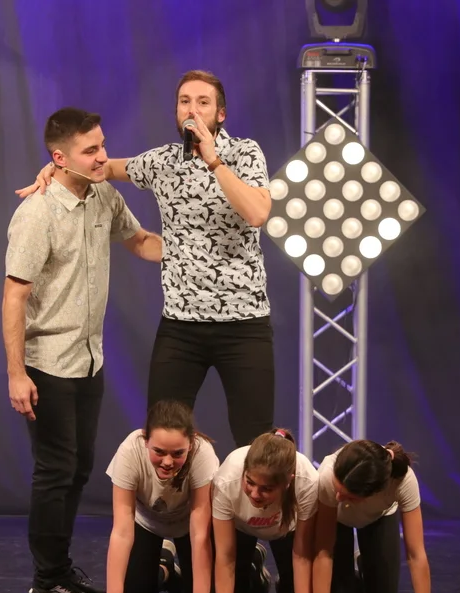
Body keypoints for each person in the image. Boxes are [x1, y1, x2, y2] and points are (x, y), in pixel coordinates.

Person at [16, 70, 276, 448]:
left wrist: (214, 161)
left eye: (203, 102)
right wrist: (54, 168)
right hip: (181, 325)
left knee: (255, 441)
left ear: (220, 114)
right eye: (184, 101)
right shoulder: (162, 161)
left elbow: (257, 214)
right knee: (162, 435)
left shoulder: (245, 153)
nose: (192, 109)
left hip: (244, 322)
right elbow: (99, 167)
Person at [3, 107, 164, 593]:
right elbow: (14, 296)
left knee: (77, 470)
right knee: (55, 471)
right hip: (47, 363)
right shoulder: (37, 214)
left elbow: (141, 242)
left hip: (88, 360)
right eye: (90, 150)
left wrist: (197, 250)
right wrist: (16, 373)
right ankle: (46, 584)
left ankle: (60, 570)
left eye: (102, 145)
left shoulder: (103, 197)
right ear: (59, 157)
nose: (102, 157)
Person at [84, 400, 219, 593]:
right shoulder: (130, 450)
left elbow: (200, 533)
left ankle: (249, 564)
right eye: (159, 452)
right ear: (146, 440)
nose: (168, 462)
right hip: (148, 522)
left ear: (191, 443)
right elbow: (122, 531)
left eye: (178, 453)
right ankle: (165, 566)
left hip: (188, 525)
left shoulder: (202, 453)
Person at [309, 440, 447, 593]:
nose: (338, 497)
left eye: (348, 496)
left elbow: (416, 553)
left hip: (378, 518)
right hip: (338, 522)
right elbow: (324, 549)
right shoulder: (328, 474)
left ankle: (365, 561)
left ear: (374, 492)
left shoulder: (403, 480)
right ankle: (351, 575)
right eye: (337, 490)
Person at [210, 429, 318, 593]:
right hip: (241, 528)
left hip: (286, 531)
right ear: (244, 471)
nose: (255, 494)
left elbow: (302, 553)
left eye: (267, 489)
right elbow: (225, 555)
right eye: (250, 482)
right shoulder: (226, 479)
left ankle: (281, 578)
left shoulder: (307, 481)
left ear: (288, 482)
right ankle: (254, 566)